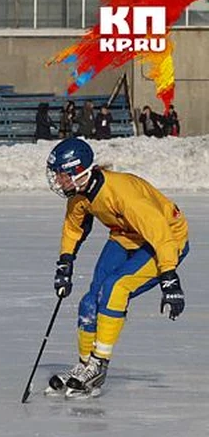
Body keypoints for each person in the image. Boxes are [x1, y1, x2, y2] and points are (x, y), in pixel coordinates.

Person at [44, 138, 188, 398]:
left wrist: (169, 277)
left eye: (62, 174)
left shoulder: (124, 194)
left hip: (166, 239)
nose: (57, 180)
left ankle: (99, 364)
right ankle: (85, 365)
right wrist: (65, 263)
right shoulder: (80, 195)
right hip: (126, 236)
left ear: (80, 171)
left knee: (115, 288)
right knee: (90, 300)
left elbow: (160, 232)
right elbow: (74, 227)